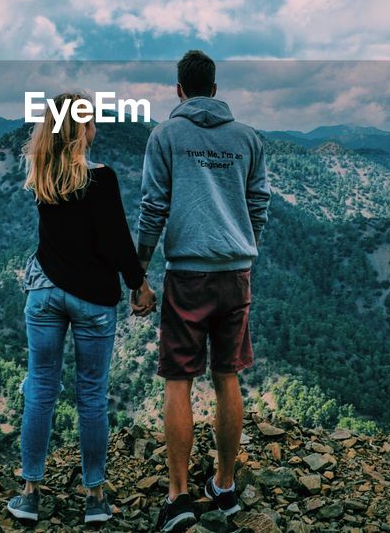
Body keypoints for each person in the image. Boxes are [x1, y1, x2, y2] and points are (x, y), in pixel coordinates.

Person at [8, 91, 157, 526]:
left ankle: (30, 493)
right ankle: (94, 497)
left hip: (44, 292)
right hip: (92, 299)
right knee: (90, 395)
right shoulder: (102, 178)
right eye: (91, 122)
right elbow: (114, 242)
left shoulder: (42, 174)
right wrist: (139, 285)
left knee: (40, 388)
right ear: (81, 129)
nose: (96, 129)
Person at [136, 51, 271, 532]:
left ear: (179, 89)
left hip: (187, 274)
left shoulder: (166, 136)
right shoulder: (248, 138)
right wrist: (242, 243)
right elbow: (259, 204)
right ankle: (225, 484)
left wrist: (140, 273)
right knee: (227, 375)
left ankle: (178, 497)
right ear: (215, 89)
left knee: (179, 380)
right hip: (236, 272)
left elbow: (154, 208)